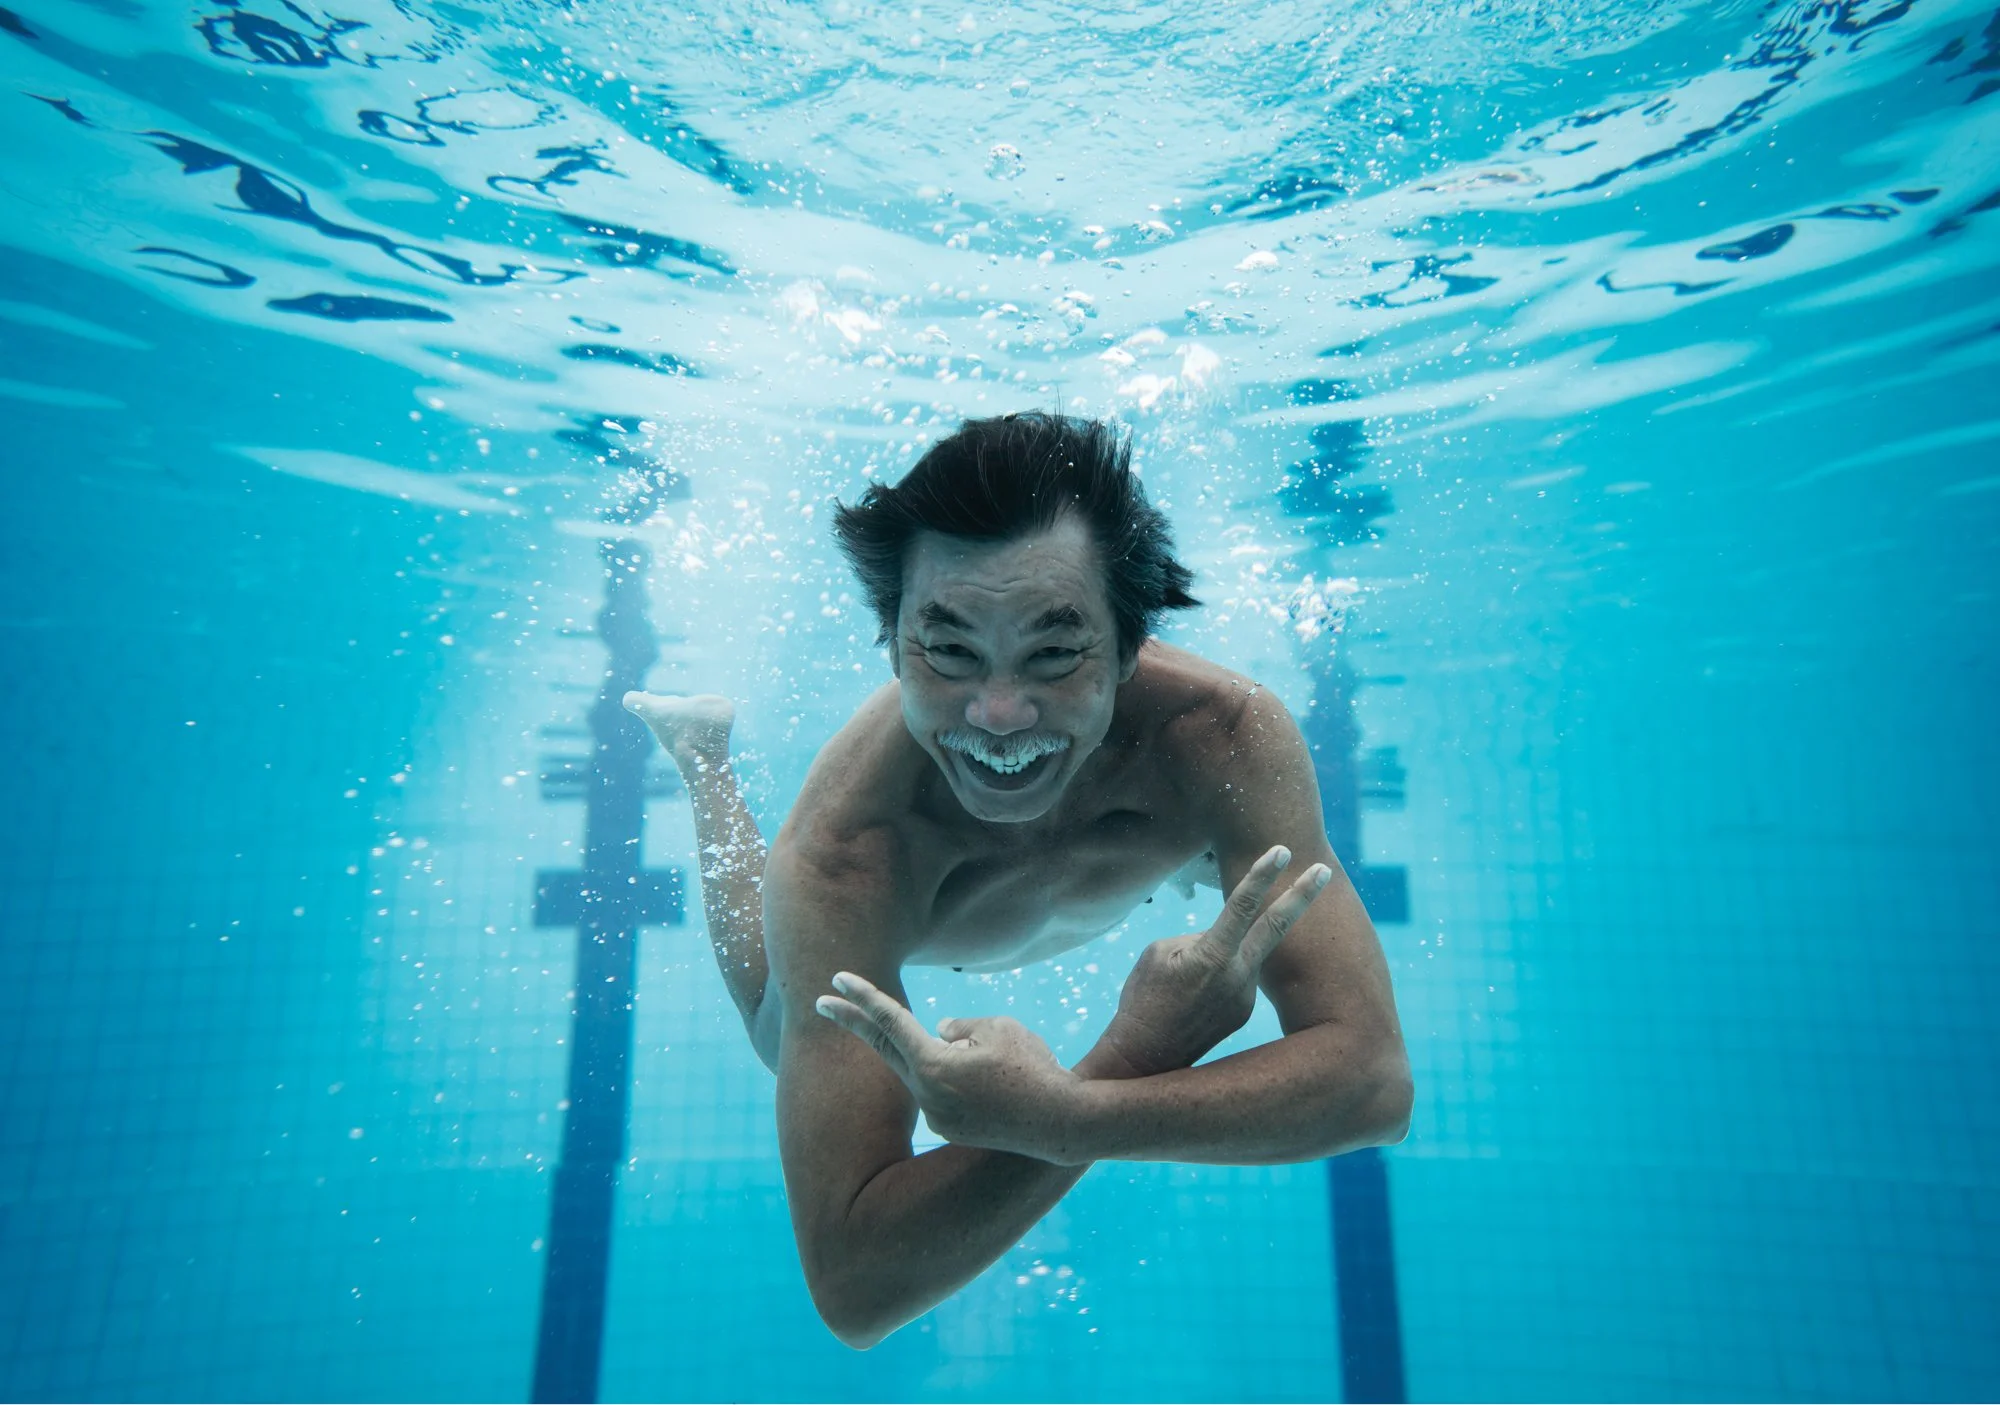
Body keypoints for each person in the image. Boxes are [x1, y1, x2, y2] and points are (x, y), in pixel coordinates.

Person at [624, 412, 1410, 1349]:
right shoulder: (846, 851)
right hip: (921, 914)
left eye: (1053, 651)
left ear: (1129, 646)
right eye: (949, 651)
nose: (998, 715)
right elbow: (856, 1285)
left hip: (1147, 841)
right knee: (774, 1024)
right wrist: (1134, 1051)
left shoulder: (1221, 740)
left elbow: (1373, 1084)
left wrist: (1063, 1113)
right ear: (890, 643)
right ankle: (703, 758)